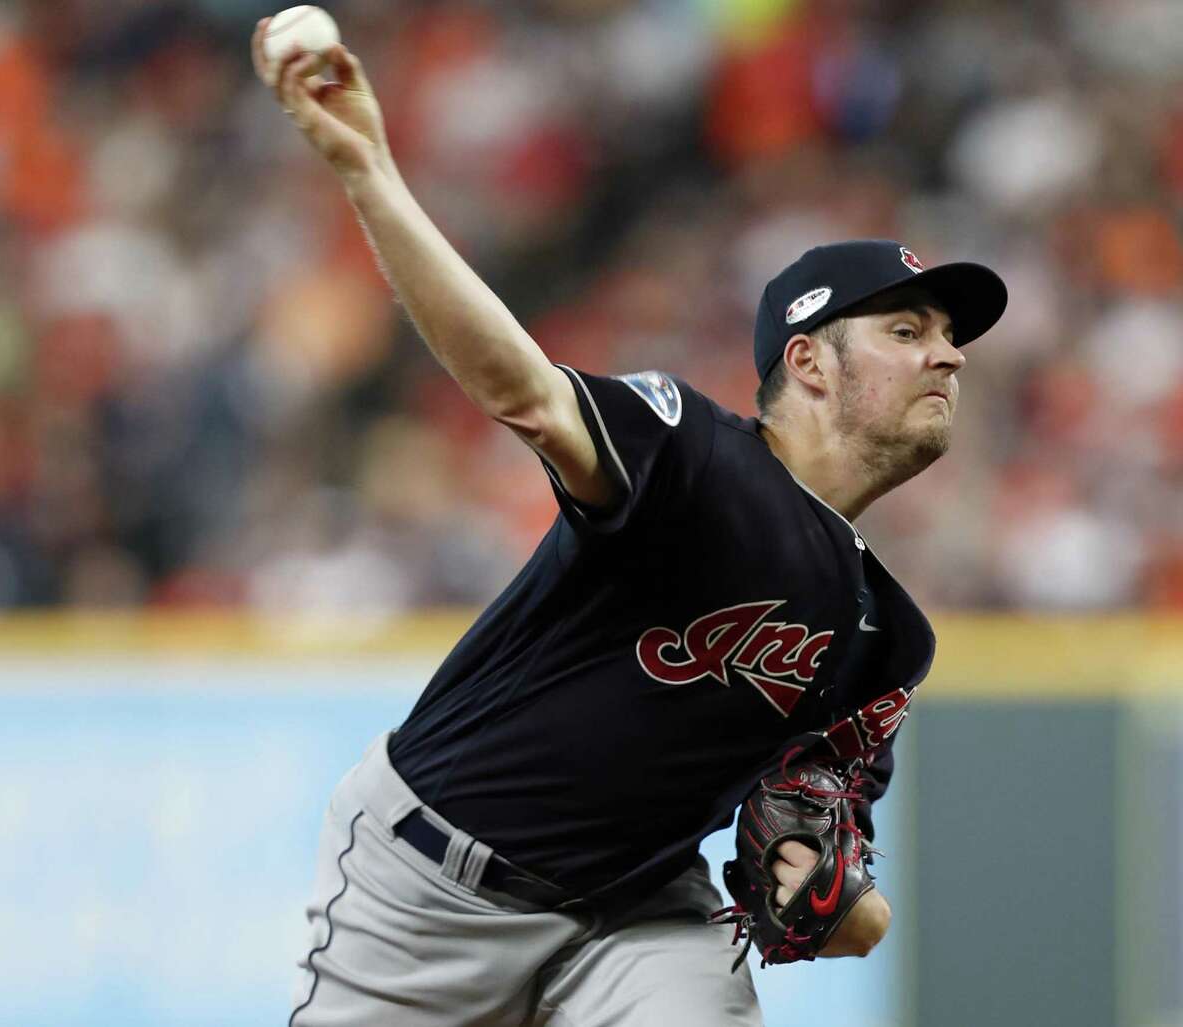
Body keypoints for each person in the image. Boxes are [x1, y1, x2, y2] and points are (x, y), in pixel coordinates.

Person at [251, 25, 1007, 1027]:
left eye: (950, 339)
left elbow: (844, 911)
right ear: (811, 364)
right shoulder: (692, 451)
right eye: (907, 332)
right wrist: (367, 167)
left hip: (638, 915)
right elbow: (520, 388)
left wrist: (822, 889)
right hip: (428, 890)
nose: (947, 358)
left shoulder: (885, 638)